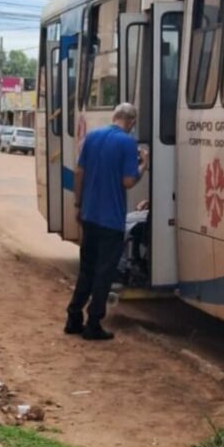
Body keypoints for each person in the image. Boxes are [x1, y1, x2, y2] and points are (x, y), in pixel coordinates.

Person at [65, 103, 149, 340]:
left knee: (87, 269)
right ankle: (93, 324)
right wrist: (143, 165)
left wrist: (78, 204)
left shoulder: (92, 137)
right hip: (111, 220)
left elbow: (79, 172)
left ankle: (73, 318)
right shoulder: (127, 143)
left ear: (114, 117)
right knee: (104, 273)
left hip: (89, 215)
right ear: (131, 122)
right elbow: (128, 182)